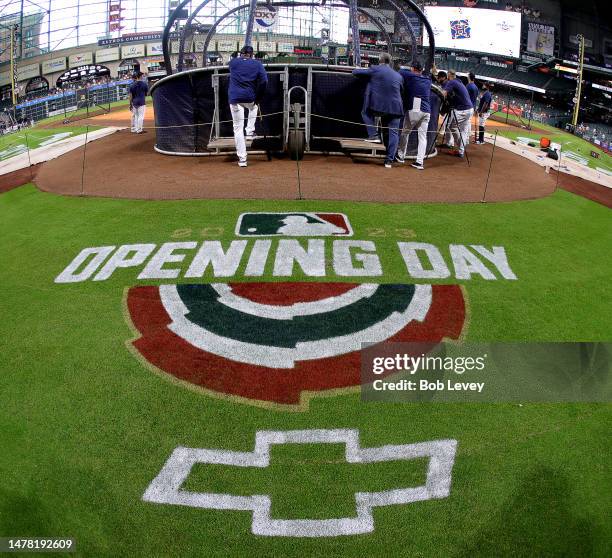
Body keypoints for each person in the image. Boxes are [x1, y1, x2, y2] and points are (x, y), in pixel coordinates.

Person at [353, 53, 404, 168]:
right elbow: (401, 90)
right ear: (389, 62)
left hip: (380, 107)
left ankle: (374, 135)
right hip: (396, 107)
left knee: (365, 112)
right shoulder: (398, 75)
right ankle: (389, 161)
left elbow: (355, 72)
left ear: (380, 60)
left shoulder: (375, 69)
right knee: (393, 133)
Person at [228, 45, 268, 167]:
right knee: (254, 107)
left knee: (237, 129)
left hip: (234, 98)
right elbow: (264, 81)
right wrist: (259, 97)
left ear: (241, 54)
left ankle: (242, 160)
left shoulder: (233, 62)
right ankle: (250, 131)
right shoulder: (257, 64)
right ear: (252, 54)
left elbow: (235, 64)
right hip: (249, 97)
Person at [397, 61, 432, 170]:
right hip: (427, 110)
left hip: (416, 106)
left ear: (413, 68)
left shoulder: (410, 75)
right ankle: (419, 162)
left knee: (405, 133)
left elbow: (400, 71)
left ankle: (401, 156)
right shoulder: (428, 79)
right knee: (423, 137)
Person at [436, 69, 473, 158]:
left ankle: (461, 146)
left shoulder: (451, 82)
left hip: (462, 109)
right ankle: (461, 151)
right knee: (463, 131)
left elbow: (443, 94)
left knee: (452, 127)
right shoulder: (459, 81)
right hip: (470, 109)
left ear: (448, 75)